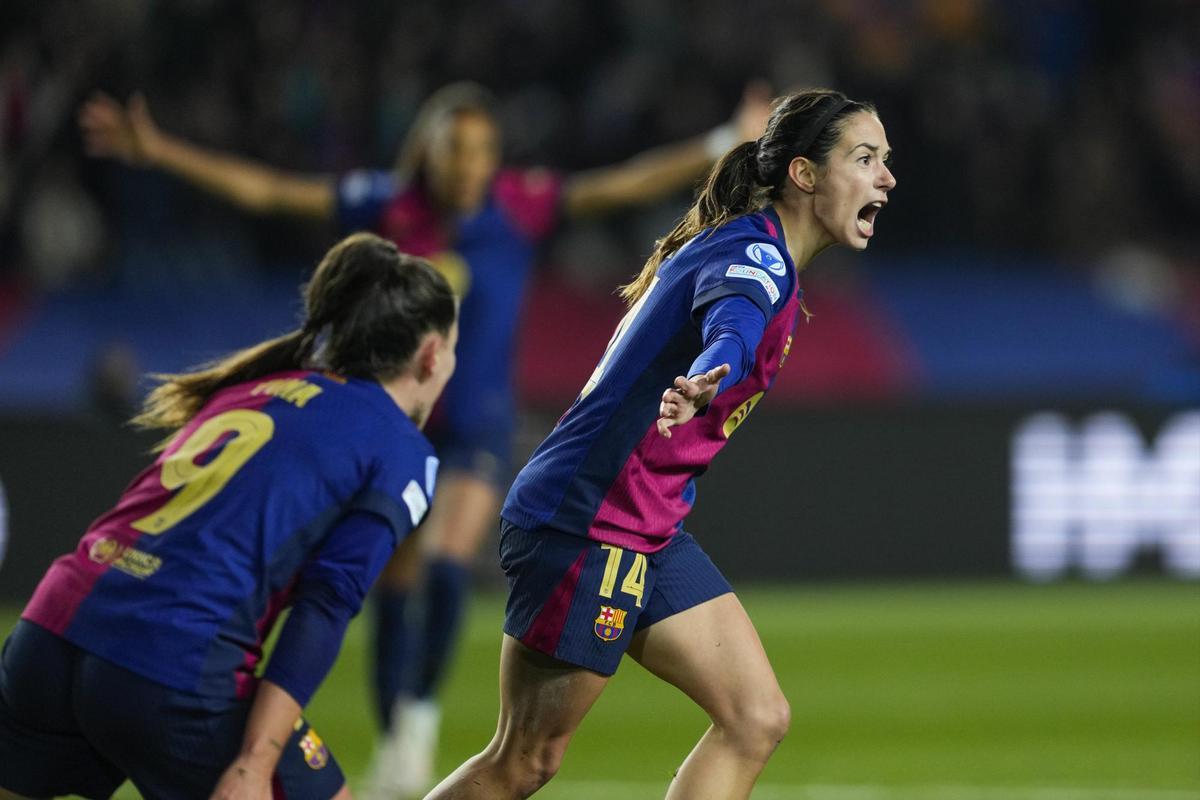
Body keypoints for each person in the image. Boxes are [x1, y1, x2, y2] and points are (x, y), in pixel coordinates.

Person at [79, 80, 769, 797]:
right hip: (398, 428)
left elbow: (624, 183)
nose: (468, 165)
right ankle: (396, 730)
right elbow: (274, 193)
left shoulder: (517, 205)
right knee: (395, 588)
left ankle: (420, 718)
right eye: (454, 150)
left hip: (475, 426)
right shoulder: (391, 205)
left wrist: (723, 142)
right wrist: (159, 151)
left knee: (447, 563)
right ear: (428, 154)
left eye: (480, 151)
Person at [422, 88, 896, 800]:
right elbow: (733, 325)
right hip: (589, 522)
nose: (886, 177)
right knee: (523, 761)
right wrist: (713, 372)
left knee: (755, 716)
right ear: (804, 174)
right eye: (865, 159)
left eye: (885, 161)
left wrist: (715, 365)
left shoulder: (751, 246)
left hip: (642, 521)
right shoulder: (758, 263)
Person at [0, 232, 458, 800]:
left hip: (52, 631)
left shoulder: (258, 388)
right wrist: (254, 759)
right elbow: (326, 603)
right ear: (432, 354)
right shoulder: (402, 449)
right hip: (170, 664)